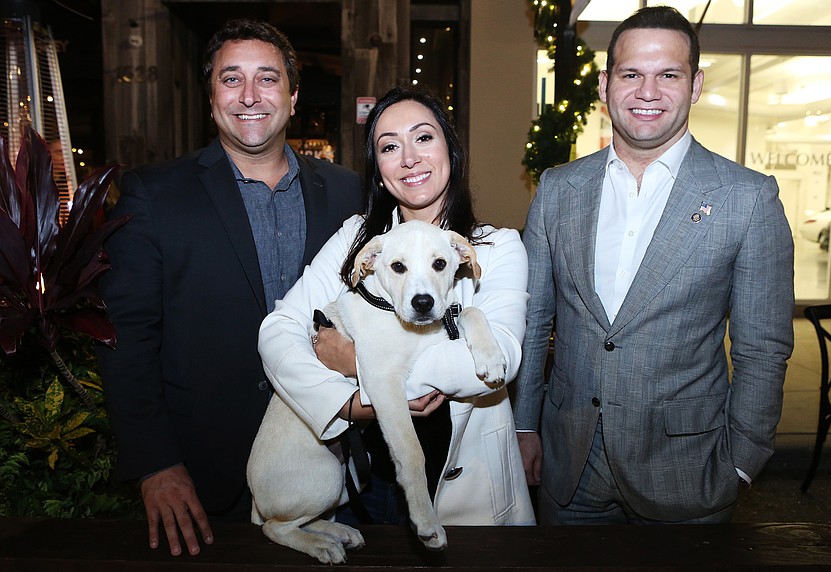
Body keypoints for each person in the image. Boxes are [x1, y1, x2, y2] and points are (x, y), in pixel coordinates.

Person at [512, 5, 795, 525]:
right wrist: (524, 427)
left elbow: (763, 348)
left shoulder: (748, 199)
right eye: (631, 74)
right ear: (604, 85)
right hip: (568, 466)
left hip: (689, 473)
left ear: (696, 85)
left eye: (669, 74)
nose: (648, 92)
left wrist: (743, 461)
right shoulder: (557, 189)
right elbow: (534, 324)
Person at [96, 19, 363, 556]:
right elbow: (126, 340)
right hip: (204, 478)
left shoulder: (346, 191)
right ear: (211, 95)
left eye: (267, 78)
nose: (249, 96)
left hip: (328, 459)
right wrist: (155, 464)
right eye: (231, 78)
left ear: (291, 95)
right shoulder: (154, 195)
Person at [257, 85, 536, 526]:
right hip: (363, 483)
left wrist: (357, 365)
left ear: (450, 148)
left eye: (424, 138)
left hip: (465, 487)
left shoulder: (496, 247)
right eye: (390, 146)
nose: (409, 158)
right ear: (379, 167)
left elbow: (497, 360)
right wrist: (345, 405)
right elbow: (278, 330)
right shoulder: (357, 240)